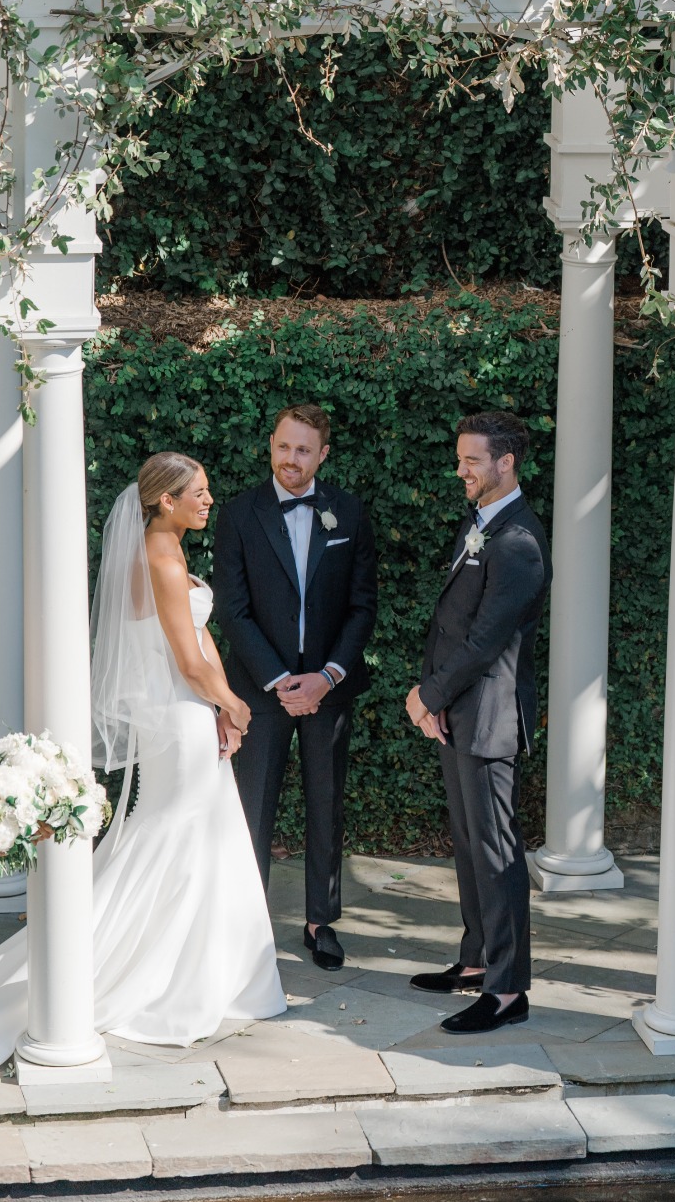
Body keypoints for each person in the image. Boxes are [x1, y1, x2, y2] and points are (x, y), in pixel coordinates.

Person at [0, 452, 286, 1053]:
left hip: (192, 711)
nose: (208, 499)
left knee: (203, 835)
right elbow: (188, 662)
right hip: (176, 717)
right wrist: (235, 706)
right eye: (198, 491)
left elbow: (202, 641)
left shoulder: (172, 551)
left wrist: (224, 705)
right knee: (178, 837)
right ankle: (158, 975)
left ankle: (214, 973)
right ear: (164, 500)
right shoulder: (159, 560)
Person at [213, 404, 377, 971]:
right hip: (261, 691)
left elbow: (362, 607)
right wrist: (281, 680)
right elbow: (231, 610)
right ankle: (248, 922)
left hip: (328, 688)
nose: (291, 459)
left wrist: (327, 676)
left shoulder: (349, 513)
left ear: (322, 455)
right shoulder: (238, 514)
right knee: (252, 806)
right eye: (284, 447)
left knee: (325, 803)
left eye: (304, 450)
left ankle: (320, 921)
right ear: (271, 445)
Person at [405, 409, 552, 1035]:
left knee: (497, 852)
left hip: (487, 715)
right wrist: (436, 699)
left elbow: (486, 640)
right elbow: (453, 621)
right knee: (468, 845)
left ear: (505, 463)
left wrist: (427, 694)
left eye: (471, 460)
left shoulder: (518, 541)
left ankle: (508, 989)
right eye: (460, 458)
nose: (460, 469)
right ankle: (474, 962)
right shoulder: (482, 525)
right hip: (456, 711)